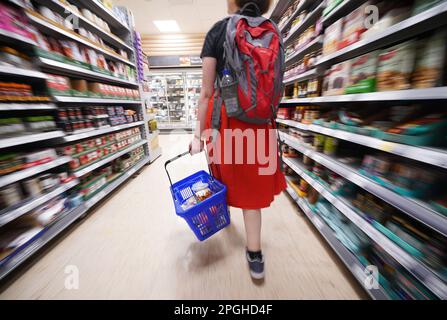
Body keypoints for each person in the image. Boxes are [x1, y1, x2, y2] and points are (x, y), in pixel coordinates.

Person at [189, 0, 286, 280]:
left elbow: (206, 93)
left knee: (221, 176)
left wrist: (197, 136)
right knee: (252, 189)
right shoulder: (275, 32)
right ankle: (255, 254)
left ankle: (224, 217)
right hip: (259, 123)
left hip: (225, 121)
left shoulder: (218, 31)